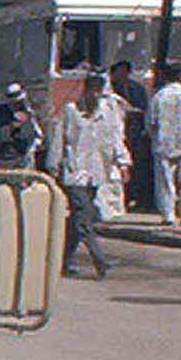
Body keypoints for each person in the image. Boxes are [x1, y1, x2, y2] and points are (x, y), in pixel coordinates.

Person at [55, 73, 116, 278]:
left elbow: (113, 137)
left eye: (99, 91)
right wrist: (54, 168)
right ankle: (100, 260)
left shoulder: (106, 112)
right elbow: (59, 140)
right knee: (84, 217)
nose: (96, 95)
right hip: (74, 172)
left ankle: (64, 260)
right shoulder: (71, 111)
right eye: (93, 90)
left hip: (96, 171)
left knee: (77, 219)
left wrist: (122, 162)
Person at [149, 64, 181, 226]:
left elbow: (151, 121)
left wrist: (154, 136)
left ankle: (168, 214)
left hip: (163, 142)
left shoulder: (159, 96)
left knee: (165, 181)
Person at [108, 57, 150, 211]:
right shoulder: (109, 91)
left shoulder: (136, 89)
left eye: (126, 73)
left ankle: (136, 197)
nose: (123, 76)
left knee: (136, 166)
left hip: (134, 132)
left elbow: (144, 109)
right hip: (115, 133)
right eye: (119, 73)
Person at [0, 82, 41, 169]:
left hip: (23, 153)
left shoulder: (28, 111)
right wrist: (13, 126)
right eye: (15, 102)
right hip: (5, 155)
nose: (18, 104)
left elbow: (36, 132)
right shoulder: (2, 112)